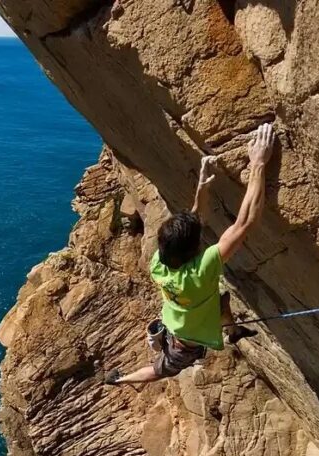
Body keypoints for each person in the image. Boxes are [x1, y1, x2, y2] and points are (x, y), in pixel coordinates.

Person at [105, 122, 276, 385]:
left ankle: (233, 331)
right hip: (184, 344)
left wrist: (202, 186)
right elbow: (244, 223)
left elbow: (194, 221)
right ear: (196, 249)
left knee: (221, 302)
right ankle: (121, 379)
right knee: (161, 371)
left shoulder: (159, 264)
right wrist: (259, 163)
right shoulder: (201, 270)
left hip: (179, 318)